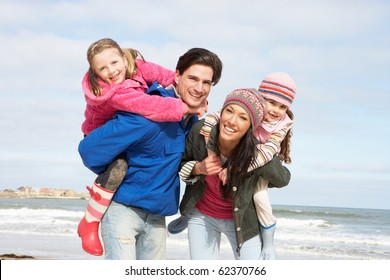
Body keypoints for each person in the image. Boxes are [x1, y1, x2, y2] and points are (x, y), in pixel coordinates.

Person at [78, 47, 223, 260]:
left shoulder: (192, 121)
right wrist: (114, 169)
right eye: (193, 78)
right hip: (123, 212)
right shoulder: (145, 114)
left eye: (206, 82)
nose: (199, 88)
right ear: (177, 76)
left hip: (157, 216)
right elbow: (89, 151)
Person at [170, 72, 296, 260]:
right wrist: (199, 168)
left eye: (243, 118)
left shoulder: (260, 148)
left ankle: (269, 239)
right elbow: (180, 165)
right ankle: (185, 215)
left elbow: (282, 179)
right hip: (202, 214)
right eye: (229, 111)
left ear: (252, 124)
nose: (232, 122)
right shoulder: (200, 132)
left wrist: (244, 164)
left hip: (243, 222)